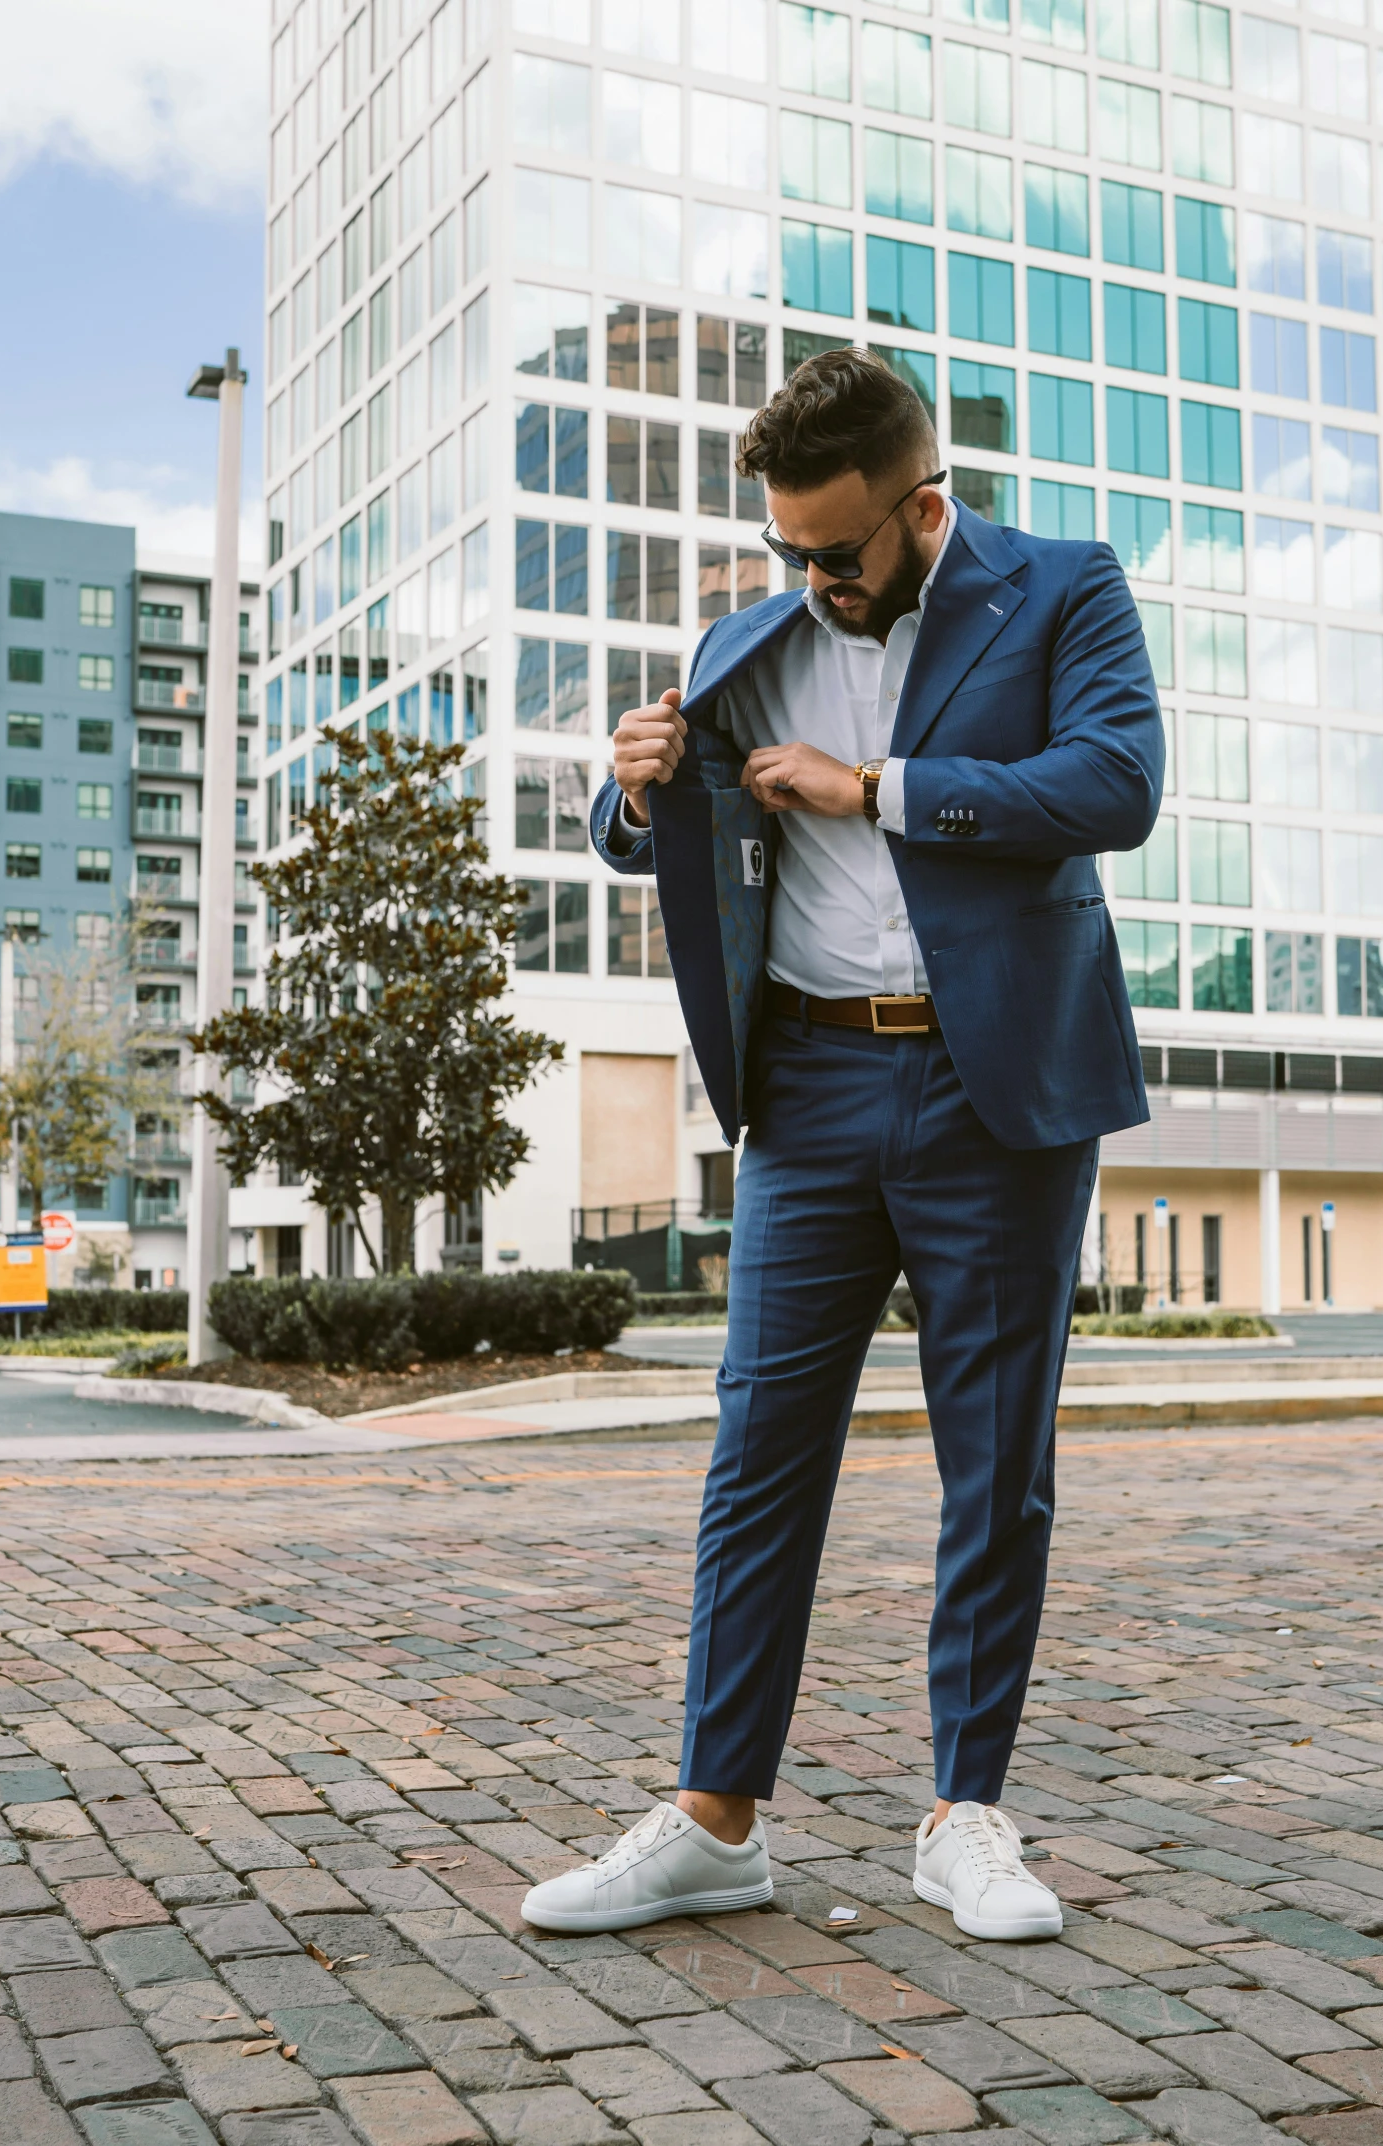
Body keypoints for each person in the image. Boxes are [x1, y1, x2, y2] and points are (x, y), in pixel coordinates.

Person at [522, 349, 1163, 1941]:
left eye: (835, 551)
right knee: (757, 1457)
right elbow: (664, 832)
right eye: (786, 547)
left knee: (992, 1467)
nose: (807, 577)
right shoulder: (745, 638)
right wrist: (625, 792)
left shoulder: (1065, 590)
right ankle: (715, 1813)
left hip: (992, 1088)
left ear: (921, 506)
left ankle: (965, 1813)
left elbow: (1118, 782)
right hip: (804, 1092)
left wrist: (874, 785)